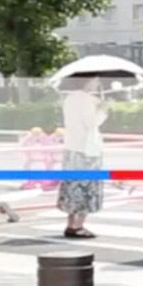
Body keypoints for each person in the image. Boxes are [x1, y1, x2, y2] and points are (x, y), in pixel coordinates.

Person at [57, 77, 109, 239]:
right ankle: (79, 225)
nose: (97, 83)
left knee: (72, 186)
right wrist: (103, 111)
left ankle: (71, 223)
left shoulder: (69, 98)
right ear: (86, 82)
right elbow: (91, 123)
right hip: (87, 150)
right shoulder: (86, 100)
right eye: (95, 80)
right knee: (87, 188)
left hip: (71, 147)